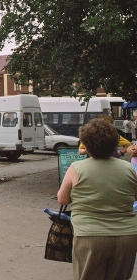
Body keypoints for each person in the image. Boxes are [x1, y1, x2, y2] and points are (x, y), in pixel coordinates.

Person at [57, 118, 137, 280]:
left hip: (90, 236)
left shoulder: (77, 169)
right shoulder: (128, 168)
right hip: (126, 236)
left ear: (86, 144)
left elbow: (63, 200)